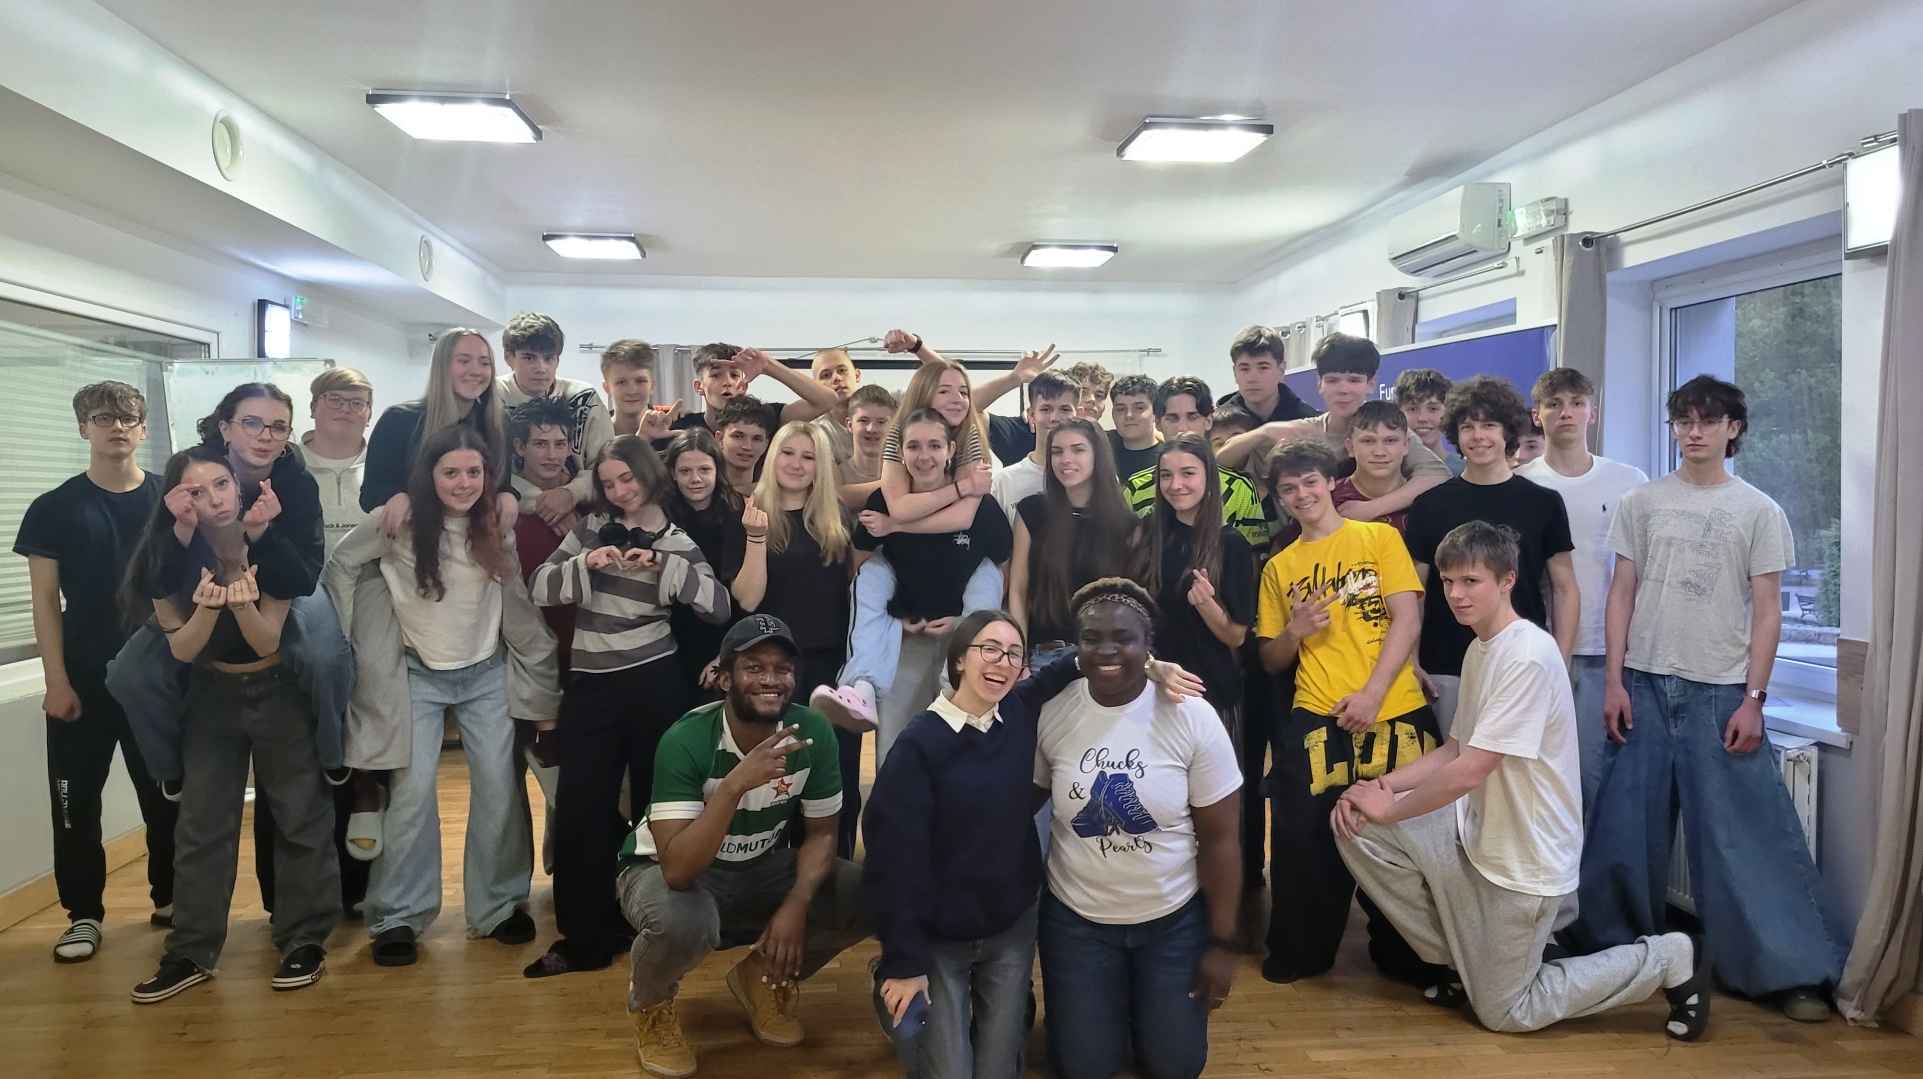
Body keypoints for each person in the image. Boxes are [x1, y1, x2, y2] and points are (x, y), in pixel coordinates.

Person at [1333, 521, 1709, 1040]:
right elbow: (1455, 748)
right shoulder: (1480, 647)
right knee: (1357, 825)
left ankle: (1668, 957)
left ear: (1507, 580)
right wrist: (1382, 789)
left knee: (1507, 1013)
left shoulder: (1527, 656)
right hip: (1475, 831)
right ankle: (1466, 964)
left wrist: (1393, 808)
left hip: (1526, 860)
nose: (1456, 594)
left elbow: (1471, 769)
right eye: (1448, 582)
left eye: (1471, 581)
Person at [1569, 375, 1843, 1021]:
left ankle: (1788, 972)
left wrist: (1754, 698)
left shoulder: (1758, 509)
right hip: (1641, 685)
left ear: (1732, 429)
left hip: (1721, 693)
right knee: (1623, 829)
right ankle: (1613, 953)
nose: (1694, 431)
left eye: (1707, 420)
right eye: (1683, 420)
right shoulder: (1641, 502)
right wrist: (1613, 681)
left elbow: (1768, 611)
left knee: (1743, 837)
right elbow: (1620, 594)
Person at [865, 612, 1202, 1079]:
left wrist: (1150, 664)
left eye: (1013, 654)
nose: (1001, 662)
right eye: (988, 649)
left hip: (1008, 930)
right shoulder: (919, 745)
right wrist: (905, 959)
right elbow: (891, 861)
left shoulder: (1021, 710)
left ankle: (995, 1010)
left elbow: (1081, 659)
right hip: (937, 936)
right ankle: (889, 978)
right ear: (959, 659)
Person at [325, 425, 554, 967]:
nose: (463, 482)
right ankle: (397, 916)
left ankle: (498, 906)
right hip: (417, 673)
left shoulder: (494, 522)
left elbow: (516, 593)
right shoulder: (397, 522)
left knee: (499, 788)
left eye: (474, 472)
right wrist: (348, 637)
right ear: (429, 476)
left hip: (486, 671)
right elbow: (341, 563)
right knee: (411, 794)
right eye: (450, 472)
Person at [124, 446, 339, 1003]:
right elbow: (183, 650)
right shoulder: (165, 558)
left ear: (238, 487)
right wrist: (207, 608)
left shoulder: (269, 541)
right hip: (211, 695)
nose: (213, 499)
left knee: (300, 817)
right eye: (195, 491)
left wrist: (242, 601)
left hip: (278, 689)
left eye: (220, 484)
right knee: (201, 828)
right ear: (176, 502)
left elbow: (268, 640)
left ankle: (304, 940)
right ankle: (190, 952)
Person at [618, 614, 868, 1078]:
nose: (770, 679)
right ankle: (650, 1005)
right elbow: (677, 870)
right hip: (661, 869)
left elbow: (822, 834)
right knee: (684, 921)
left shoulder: (812, 731)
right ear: (724, 678)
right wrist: (734, 785)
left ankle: (763, 977)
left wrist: (797, 902)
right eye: (754, 667)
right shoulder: (686, 739)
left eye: (782, 669)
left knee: (870, 894)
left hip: (757, 868)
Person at [526, 436, 731, 978]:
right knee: (580, 810)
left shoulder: (678, 540)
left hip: (654, 682)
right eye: (609, 483)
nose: (620, 491)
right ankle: (585, 939)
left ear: (649, 475)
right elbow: (540, 586)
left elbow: (718, 607)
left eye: (628, 478)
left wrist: (665, 567)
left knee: (656, 810)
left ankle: (656, 925)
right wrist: (586, 563)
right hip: (590, 686)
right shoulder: (591, 528)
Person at [1034, 578, 1242, 1079]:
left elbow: (1222, 842)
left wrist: (1222, 942)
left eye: (1123, 638)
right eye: (1091, 638)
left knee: (1177, 1066)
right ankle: (1109, 1005)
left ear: (1148, 644)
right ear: (1076, 646)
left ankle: (1138, 1003)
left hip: (1171, 920)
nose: (1107, 650)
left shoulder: (1191, 715)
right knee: (1084, 1068)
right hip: (1077, 921)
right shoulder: (1054, 711)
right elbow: (1018, 806)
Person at [1255, 439, 1442, 986]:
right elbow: (1270, 659)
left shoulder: (1379, 538)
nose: (1302, 495)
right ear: (1280, 498)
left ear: (1330, 483)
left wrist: (1373, 695)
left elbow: (1407, 619)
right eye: (1289, 489)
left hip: (1394, 708)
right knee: (1303, 840)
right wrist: (1295, 631)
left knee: (1404, 839)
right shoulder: (1279, 566)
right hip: (1317, 713)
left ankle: (1413, 956)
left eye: (1310, 482)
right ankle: (1300, 952)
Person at [15, 382, 175, 962]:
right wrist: (55, 681)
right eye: (104, 418)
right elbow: (44, 602)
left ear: (143, 427)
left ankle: (171, 899)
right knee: (75, 804)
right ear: (84, 427)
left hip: (156, 679)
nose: (117, 427)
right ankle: (83, 915)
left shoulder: (169, 499)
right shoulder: (53, 508)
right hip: (82, 678)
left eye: (128, 418)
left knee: (166, 798)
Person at [824, 409, 1012, 766]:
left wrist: (964, 624)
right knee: (896, 747)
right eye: (913, 446)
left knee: (955, 745)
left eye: (934, 446)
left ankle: (961, 683)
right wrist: (892, 626)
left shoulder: (979, 505)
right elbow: (859, 563)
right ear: (900, 453)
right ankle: (861, 684)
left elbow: (1003, 567)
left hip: (959, 638)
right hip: (905, 639)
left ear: (950, 450)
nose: (924, 456)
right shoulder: (884, 501)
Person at [1403, 375, 1577, 736]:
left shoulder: (1544, 503)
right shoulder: (1429, 505)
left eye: (1489, 425)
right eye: (1468, 426)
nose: (1478, 436)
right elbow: (1414, 592)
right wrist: (1412, 661)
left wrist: (1559, 661)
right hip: (1444, 666)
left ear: (1507, 432)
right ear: (1456, 434)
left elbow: (1564, 589)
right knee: (1451, 765)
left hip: (1521, 662)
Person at [1515, 369, 1646, 809]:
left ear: (1593, 413)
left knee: (1599, 782)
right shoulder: (1522, 484)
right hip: (1539, 648)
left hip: (1610, 652)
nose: (1565, 412)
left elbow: (1641, 571)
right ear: (1537, 416)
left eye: (1576, 403)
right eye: (1554, 404)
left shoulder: (1629, 482)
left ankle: (1594, 858)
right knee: (1540, 778)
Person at [730, 423, 859, 855]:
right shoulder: (750, 515)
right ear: (773, 458)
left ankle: (830, 872)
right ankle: (769, 874)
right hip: (772, 671)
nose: (797, 464)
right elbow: (748, 599)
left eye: (808, 457)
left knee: (835, 778)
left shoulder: (835, 518)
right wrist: (756, 537)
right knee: (775, 780)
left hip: (831, 667)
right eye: (789, 453)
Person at [1218, 334, 1449, 522]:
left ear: (1371, 384)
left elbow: (1437, 475)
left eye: (1354, 380)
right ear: (1320, 384)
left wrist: (1371, 509)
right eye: (1332, 380)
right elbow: (1221, 460)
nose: (1343, 389)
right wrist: (1264, 432)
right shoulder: (1304, 431)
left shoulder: (1388, 431)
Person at [1129, 435, 1254, 739]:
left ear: (1208, 477)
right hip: (1151, 688)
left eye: (1188, 473)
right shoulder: (1147, 532)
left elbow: (1236, 636)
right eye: (1166, 475)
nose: (1176, 485)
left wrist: (1206, 605)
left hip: (1209, 694)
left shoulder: (1231, 543)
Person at [1010, 419, 1136, 667]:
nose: (1066, 459)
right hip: (1044, 655)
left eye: (1078, 450)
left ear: (1097, 455)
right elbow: (1018, 590)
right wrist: (1018, 655)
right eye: (1057, 452)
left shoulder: (1125, 523)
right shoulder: (1032, 511)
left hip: (1104, 656)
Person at [361, 328, 517, 520]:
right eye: (463, 361)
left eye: (484, 363)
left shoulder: (499, 423)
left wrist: (507, 495)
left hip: (476, 534)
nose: (476, 371)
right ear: (442, 366)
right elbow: (370, 494)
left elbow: (501, 483)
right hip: (415, 533)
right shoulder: (398, 420)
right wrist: (395, 497)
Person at [494, 312, 616, 531]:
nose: (541, 368)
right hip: (509, 513)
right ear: (509, 357)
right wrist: (547, 504)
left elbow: (607, 466)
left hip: (581, 510)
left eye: (549, 358)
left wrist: (571, 494)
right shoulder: (492, 398)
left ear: (558, 359)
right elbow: (483, 470)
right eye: (529, 358)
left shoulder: (584, 398)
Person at [1120, 377, 1268, 550]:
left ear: (1208, 421)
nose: (1182, 428)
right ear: (1158, 423)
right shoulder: (1136, 487)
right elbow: (1126, 554)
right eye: (1172, 418)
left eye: (1192, 417)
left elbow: (1252, 558)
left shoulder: (1239, 488)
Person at [881, 328, 1060, 467]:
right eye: (1046, 408)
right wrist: (1013, 378)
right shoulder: (901, 434)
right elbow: (896, 498)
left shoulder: (970, 435)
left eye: (964, 393)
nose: (957, 399)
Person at [660, 428, 747, 694]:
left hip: (724, 635)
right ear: (673, 473)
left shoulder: (739, 513)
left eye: (704, 470)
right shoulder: (659, 515)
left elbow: (745, 595)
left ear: (717, 470)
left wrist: (727, 653)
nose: (695, 479)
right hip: (669, 637)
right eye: (685, 471)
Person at [668, 343, 839, 438]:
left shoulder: (766, 419)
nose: (727, 382)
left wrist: (769, 366)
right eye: (716, 375)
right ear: (699, 387)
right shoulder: (682, 427)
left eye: (734, 375)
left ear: (743, 386)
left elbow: (827, 400)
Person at [987, 370, 1080, 526]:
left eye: (1065, 409)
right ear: (1031, 415)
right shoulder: (1005, 482)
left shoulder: (1091, 476)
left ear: (1078, 415)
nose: (1055, 418)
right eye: (1046, 409)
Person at [301, 368, 373, 556]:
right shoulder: (288, 466)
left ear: (369, 415)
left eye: (357, 403)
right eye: (334, 399)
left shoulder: (385, 469)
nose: (345, 409)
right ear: (313, 408)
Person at [1334, 400, 1416, 532]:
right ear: (1351, 447)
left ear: (1406, 445)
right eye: (1368, 441)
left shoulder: (1426, 503)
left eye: (1390, 441)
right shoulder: (1328, 501)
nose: (1379, 452)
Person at [1215, 325, 1316, 425]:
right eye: (1244, 369)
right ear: (1235, 373)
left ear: (1281, 371)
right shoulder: (1218, 425)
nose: (1252, 378)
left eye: (1263, 368)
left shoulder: (1308, 423)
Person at [602, 338, 684, 441]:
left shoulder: (674, 428)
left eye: (640, 381)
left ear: (651, 386)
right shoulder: (593, 436)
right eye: (621, 382)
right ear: (607, 388)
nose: (632, 391)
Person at [1393, 368, 1465, 476]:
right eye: (1412, 409)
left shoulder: (1465, 471)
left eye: (1433, 409)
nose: (1422, 418)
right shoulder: (1387, 471)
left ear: (1448, 412)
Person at [835, 383, 897, 508]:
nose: (872, 429)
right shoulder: (836, 478)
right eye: (864, 421)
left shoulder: (907, 473)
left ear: (894, 426)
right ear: (849, 425)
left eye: (881, 422)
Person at [807, 347, 862, 469]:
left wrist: (909, 347)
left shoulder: (887, 405)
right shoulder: (817, 430)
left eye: (842, 371)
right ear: (815, 385)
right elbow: (832, 481)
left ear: (857, 375)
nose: (836, 378)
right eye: (826, 375)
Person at [1107, 374, 1162, 480]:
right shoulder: (1101, 453)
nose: (1129, 415)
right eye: (1121, 409)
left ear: (1155, 413)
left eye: (1139, 408)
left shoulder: (1167, 459)